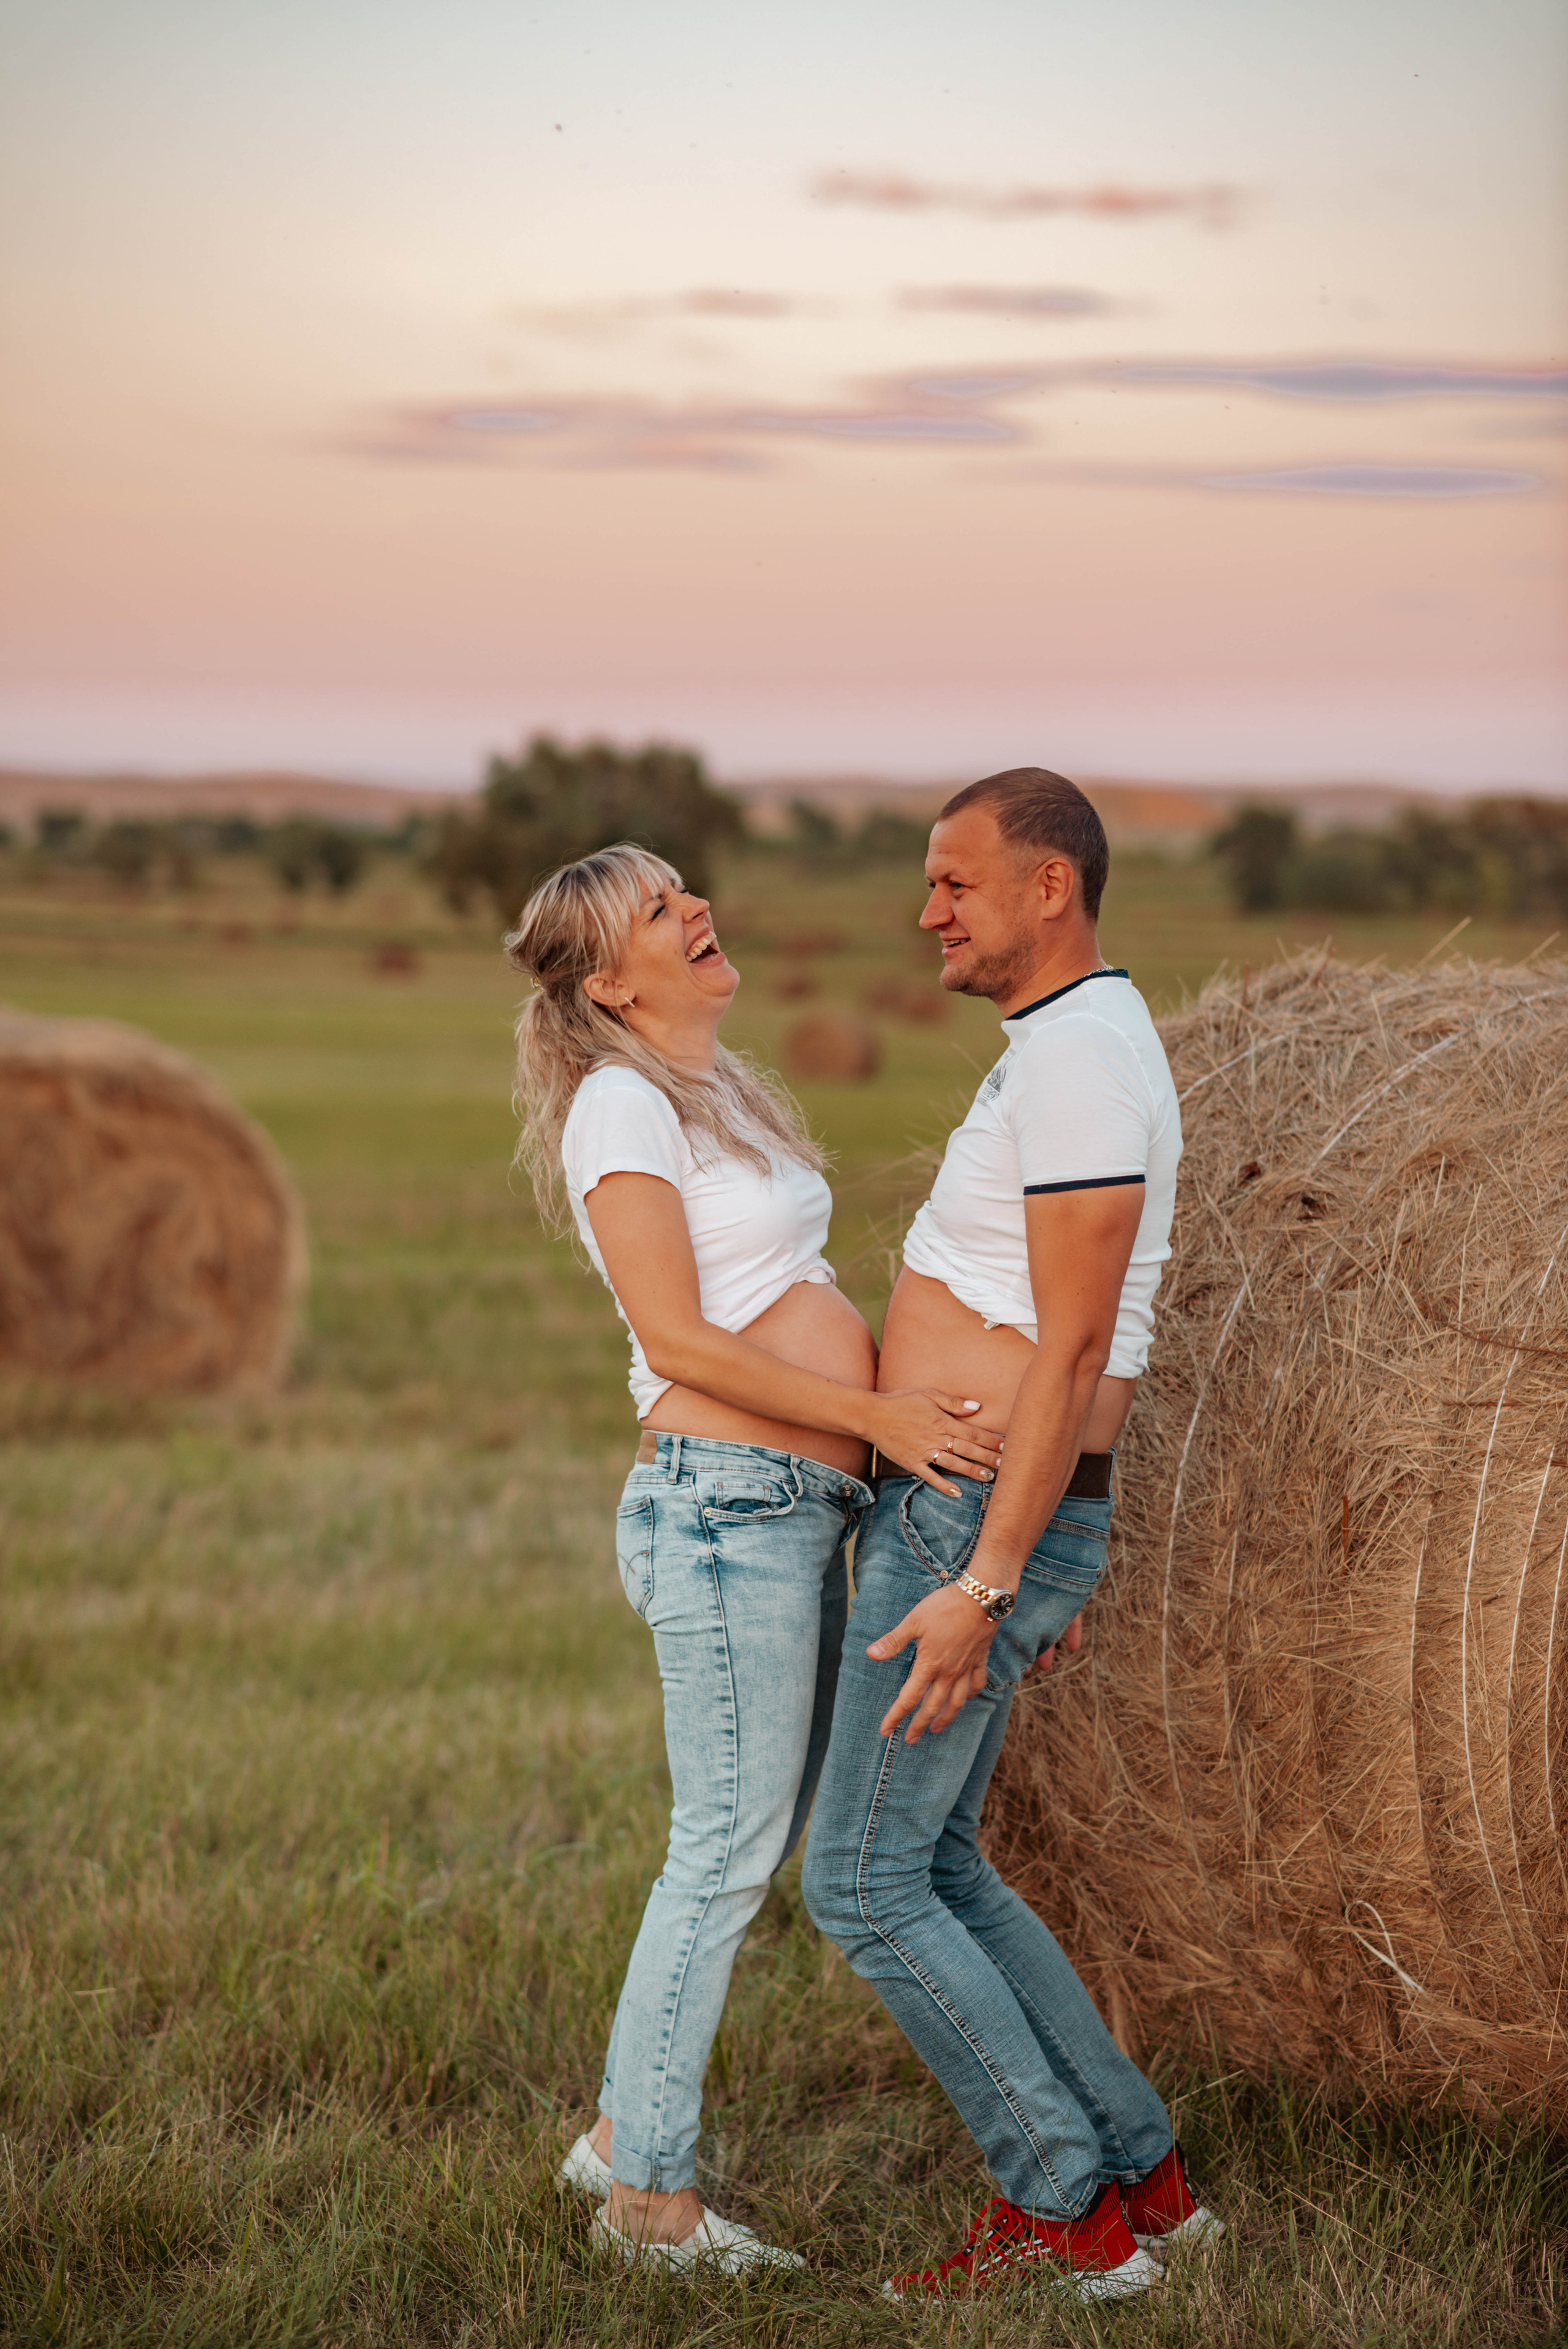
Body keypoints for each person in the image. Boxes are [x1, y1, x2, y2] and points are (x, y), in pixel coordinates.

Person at [505, 843, 1003, 2275]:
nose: (696, 910)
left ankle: (617, 2134)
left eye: (685, 890)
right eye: (660, 910)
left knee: (744, 1841)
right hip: (727, 1506)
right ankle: (647, 2206)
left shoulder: (707, 1089)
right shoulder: (616, 1106)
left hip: (783, 1505)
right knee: (721, 1854)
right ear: (611, 982)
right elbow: (675, 1339)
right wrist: (879, 1417)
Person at [801, 767, 1221, 2304]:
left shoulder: (1082, 1062)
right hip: (984, 1510)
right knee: (943, 1863)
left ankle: (1063, 2216)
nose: (927, 913)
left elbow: (1074, 1342)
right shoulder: (1061, 1046)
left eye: (953, 882)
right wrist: (1035, 1545)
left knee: (860, 1884)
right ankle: (1144, 2180)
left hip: (965, 1523)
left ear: (1049, 887)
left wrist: (992, 1575)